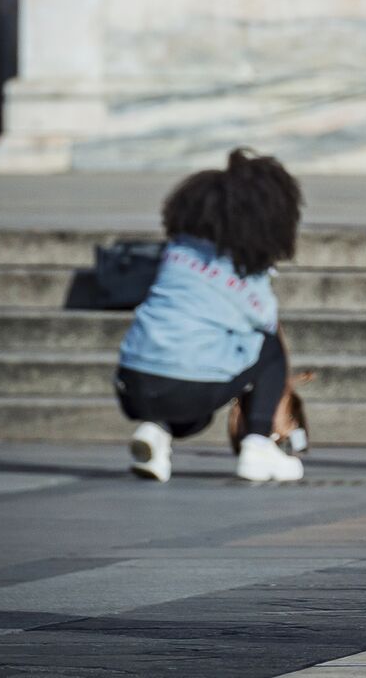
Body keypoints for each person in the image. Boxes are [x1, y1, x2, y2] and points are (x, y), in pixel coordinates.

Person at [114, 149, 305, 484]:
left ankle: (156, 432)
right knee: (268, 345)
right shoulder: (245, 267)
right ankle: (258, 446)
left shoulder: (177, 252)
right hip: (190, 384)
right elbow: (265, 319)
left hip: (133, 382)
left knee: (192, 383)